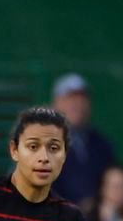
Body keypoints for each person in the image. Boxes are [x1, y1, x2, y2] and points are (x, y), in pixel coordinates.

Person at [49, 73, 116, 210]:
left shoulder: (101, 144)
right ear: (56, 103)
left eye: (82, 98)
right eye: (70, 98)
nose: (77, 104)